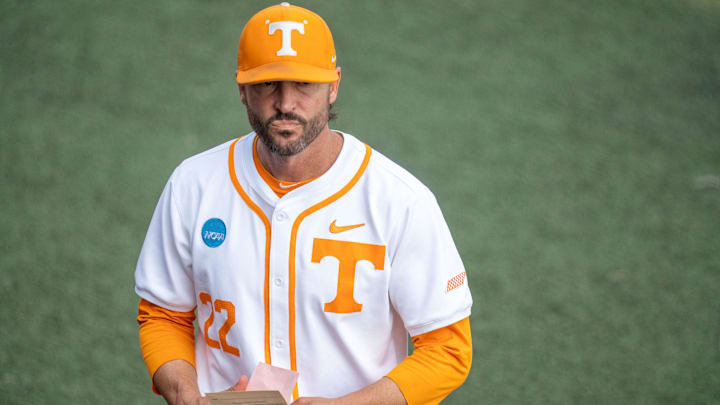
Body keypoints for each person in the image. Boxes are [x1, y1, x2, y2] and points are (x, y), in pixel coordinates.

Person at [135, 3, 473, 404]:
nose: (285, 103)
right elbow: (164, 315)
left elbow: (448, 350)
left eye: (304, 85)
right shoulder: (193, 185)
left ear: (333, 86)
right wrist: (187, 395)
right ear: (242, 89)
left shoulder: (400, 201)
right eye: (267, 85)